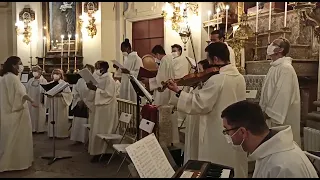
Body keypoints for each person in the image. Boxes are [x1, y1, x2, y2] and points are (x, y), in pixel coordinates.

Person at [166, 42, 248, 178]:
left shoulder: (218, 79)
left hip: (216, 128)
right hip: (234, 129)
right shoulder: (239, 77)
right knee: (232, 161)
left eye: (209, 59)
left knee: (216, 164)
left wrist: (178, 91)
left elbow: (200, 104)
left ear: (215, 59)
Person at [221, 100, 318, 178]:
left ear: (242, 132)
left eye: (227, 130)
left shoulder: (283, 166)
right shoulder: (266, 151)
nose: (227, 135)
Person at [259, 38, 301, 146]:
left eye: (274, 44)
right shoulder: (274, 67)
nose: (270, 45)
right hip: (269, 117)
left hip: (280, 119)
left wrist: (268, 113)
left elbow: (282, 95)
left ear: (280, 49)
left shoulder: (286, 68)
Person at [0, 56, 35, 172]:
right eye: (20, 63)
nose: (21, 66)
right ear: (13, 65)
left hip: (6, 112)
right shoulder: (13, 78)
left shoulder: (4, 77)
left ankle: (11, 161)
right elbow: (20, 94)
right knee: (18, 137)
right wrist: (31, 100)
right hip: (17, 113)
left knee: (8, 137)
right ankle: (17, 162)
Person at [86, 61, 118, 162]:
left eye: (97, 67)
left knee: (104, 129)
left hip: (107, 108)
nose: (96, 70)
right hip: (101, 107)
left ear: (103, 69)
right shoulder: (101, 77)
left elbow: (109, 93)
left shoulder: (109, 78)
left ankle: (105, 152)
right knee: (98, 128)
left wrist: (95, 89)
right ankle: (98, 151)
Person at [70, 64, 94, 144]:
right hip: (79, 102)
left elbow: (93, 91)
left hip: (88, 103)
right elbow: (75, 91)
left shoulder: (92, 80)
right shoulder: (80, 80)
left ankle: (85, 139)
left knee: (86, 120)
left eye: (88, 69)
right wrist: (79, 100)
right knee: (78, 121)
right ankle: (77, 138)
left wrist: (85, 101)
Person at [46, 69, 73, 138]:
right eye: (54, 74)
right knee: (53, 117)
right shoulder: (50, 83)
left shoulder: (64, 84)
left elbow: (69, 94)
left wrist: (61, 95)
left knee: (61, 118)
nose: (56, 75)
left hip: (61, 102)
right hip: (53, 102)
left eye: (58, 74)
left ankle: (61, 134)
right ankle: (52, 134)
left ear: (61, 75)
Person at [26, 65, 48, 133]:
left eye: (36, 71)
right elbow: (26, 90)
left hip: (40, 100)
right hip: (31, 101)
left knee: (40, 114)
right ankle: (32, 128)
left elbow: (45, 91)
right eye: (33, 71)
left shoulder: (43, 80)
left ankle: (40, 129)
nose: (34, 72)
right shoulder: (30, 80)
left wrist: (42, 99)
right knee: (32, 114)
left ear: (40, 72)